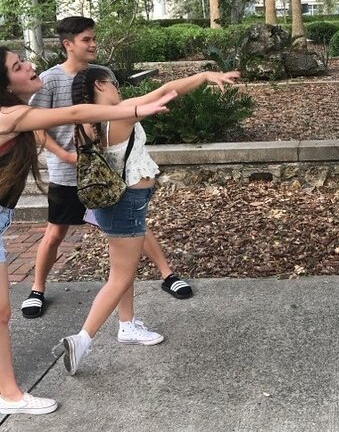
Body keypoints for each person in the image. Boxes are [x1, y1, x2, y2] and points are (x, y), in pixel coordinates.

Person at [0, 46, 175, 414]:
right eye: (18, 66)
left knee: (1, 313)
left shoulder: (17, 114)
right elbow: (76, 113)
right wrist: (133, 111)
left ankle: (8, 393)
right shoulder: (7, 115)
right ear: (5, 83)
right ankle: (12, 394)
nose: (29, 66)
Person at [60, 66, 239, 376]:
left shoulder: (88, 122)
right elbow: (165, 91)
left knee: (123, 269)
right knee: (120, 276)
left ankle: (127, 324)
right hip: (126, 202)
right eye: (113, 83)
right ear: (100, 85)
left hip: (114, 202)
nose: (117, 88)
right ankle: (82, 339)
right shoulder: (119, 116)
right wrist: (203, 77)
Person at [22, 16, 192, 320]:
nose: (93, 44)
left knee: (132, 226)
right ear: (68, 44)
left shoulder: (102, 75)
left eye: (93, 38)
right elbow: (36, 126)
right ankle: (37, 289)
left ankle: (167, 274)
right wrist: (65, 156)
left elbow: (117, 114)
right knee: (56, 231)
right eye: (86, 40)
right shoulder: (49, 80)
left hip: (109, 169)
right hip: (69, 173)